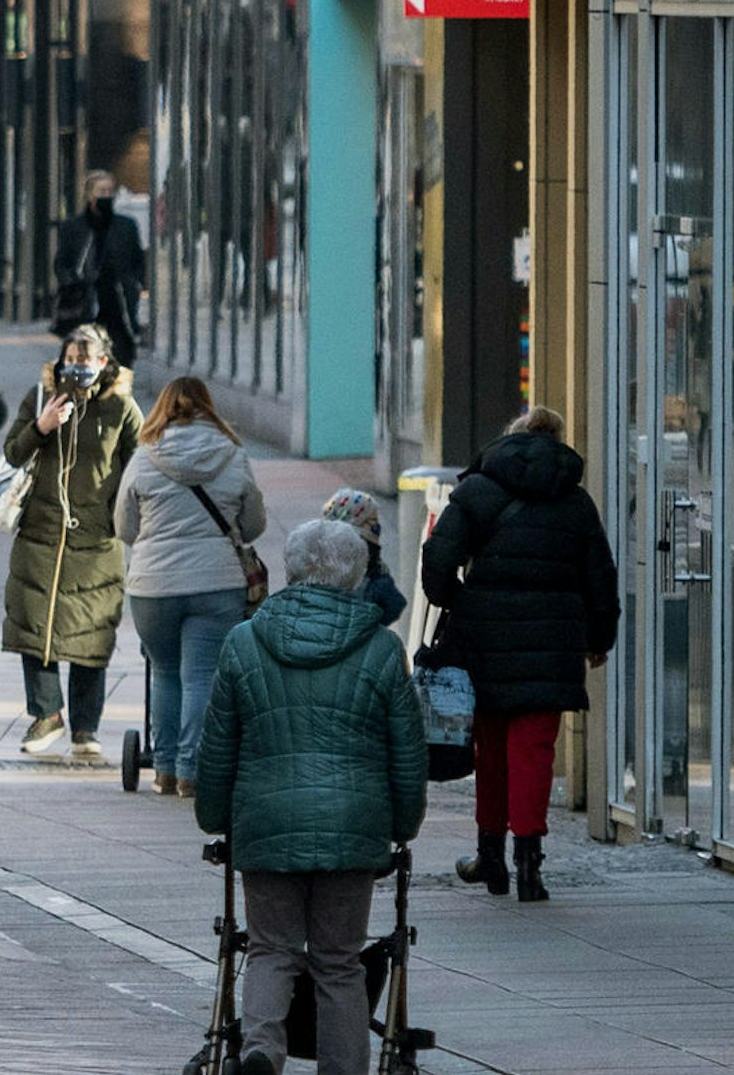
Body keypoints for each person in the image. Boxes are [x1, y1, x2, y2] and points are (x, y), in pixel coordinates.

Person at [196, 519, 428, 1075]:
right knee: (339, 961)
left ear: (294, 570)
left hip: (267, 822)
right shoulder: (382, 649)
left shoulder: (243, 643)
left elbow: (218, 747)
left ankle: (260, 1051)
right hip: (353, 827)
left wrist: (213, 816)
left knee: (272, 949)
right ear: (356, 577)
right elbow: (407, 754)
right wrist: (402, 824)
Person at [422, 406, 619, 903]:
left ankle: (490, 858)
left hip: (483, 637)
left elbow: (438, 557)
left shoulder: (476, 491)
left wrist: (452, 597)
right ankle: (530, 867)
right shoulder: (575, 504)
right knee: (533, 752)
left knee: (489, 750)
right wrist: (600, 638)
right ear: (558, 445)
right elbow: (600, 579)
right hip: (553, 644)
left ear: (510, 440)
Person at [115, 376, 266, 793]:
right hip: (216, 582)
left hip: (153, 585)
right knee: (201, 675)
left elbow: (124, 527)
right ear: (208, 407)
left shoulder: (145, 456)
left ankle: (162, 769)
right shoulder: (232, 453)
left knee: (164, 672)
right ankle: (191, 772)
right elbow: (253, 525)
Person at [3, 324, 142, 756]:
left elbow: (140, 468)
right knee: (34, 625)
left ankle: (86, 728)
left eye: (85, 360)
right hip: (41, 535)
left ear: (104, 363)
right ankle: (46, 715)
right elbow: (12, 453)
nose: (76, 368)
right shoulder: (41, 397)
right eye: (71, 359)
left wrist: (122, 518)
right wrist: (41, 427)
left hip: (97, 542)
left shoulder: (122, 408)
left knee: (90, 635)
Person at [54, 169, 145, 370]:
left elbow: (138, 260)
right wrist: (71, 283)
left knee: (121, 356)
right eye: (101, 191)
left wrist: (136, 284)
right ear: (89, 195)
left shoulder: (126, 226)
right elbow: (61, 263)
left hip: (117, 301)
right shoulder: (74, 227)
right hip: (85, 302)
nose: (106, 196)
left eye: (110, 191)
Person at [320, 488, 407, 627]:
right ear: (356, 521)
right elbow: (394, 603)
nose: (376, 526)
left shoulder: (321, 556)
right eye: (372, 520)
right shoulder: (366, 554)